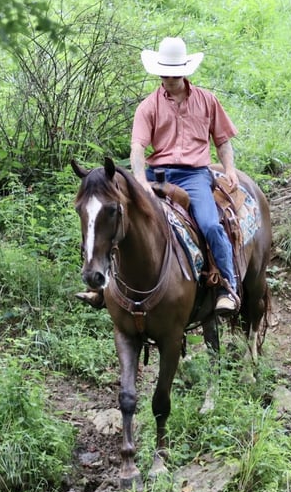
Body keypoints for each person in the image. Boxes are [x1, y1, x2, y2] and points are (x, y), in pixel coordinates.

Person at [78, 36, 241, 314]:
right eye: (165, 69)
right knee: (117, 219)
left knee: (211, 225)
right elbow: (138, 147)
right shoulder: (148, 106)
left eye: (174, 69)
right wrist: (141, 180)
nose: (169, 75)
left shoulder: (207, 101)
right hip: (158, 175)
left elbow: (222, 141)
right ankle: (102, 286)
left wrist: (229, 169)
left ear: (184, 70)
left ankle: (228, 287)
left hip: (195, 175)